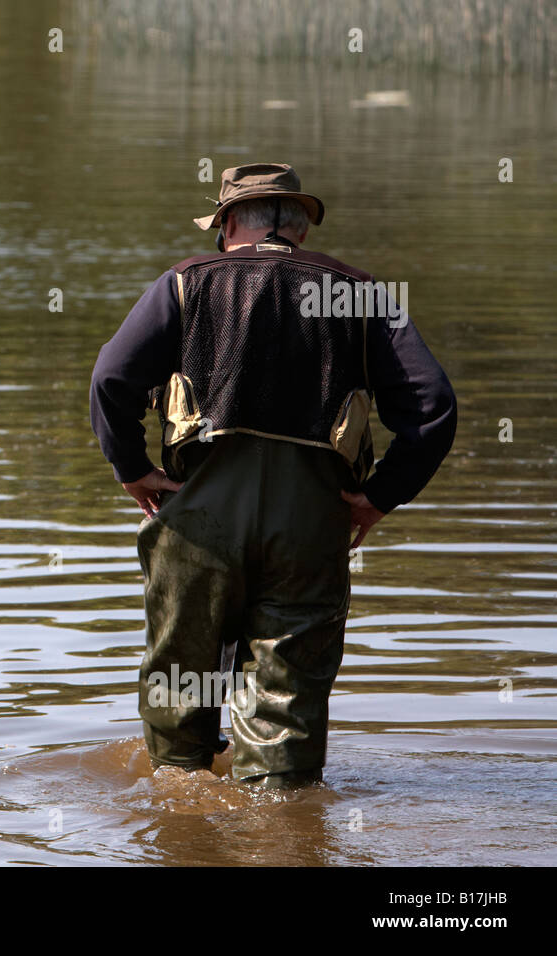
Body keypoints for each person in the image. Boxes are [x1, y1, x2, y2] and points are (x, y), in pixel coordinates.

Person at [89, 163, 456, 788]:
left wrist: (134, 470)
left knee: (181, 697)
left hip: (198, 519)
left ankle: (181, 824)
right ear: (300, 228)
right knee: (287, 712)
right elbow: (432, 407)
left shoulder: (185, 283)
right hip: (311, 524)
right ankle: (282, 823)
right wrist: (376, 497)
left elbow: (111, 381)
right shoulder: (358, 293)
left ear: (230, 224)